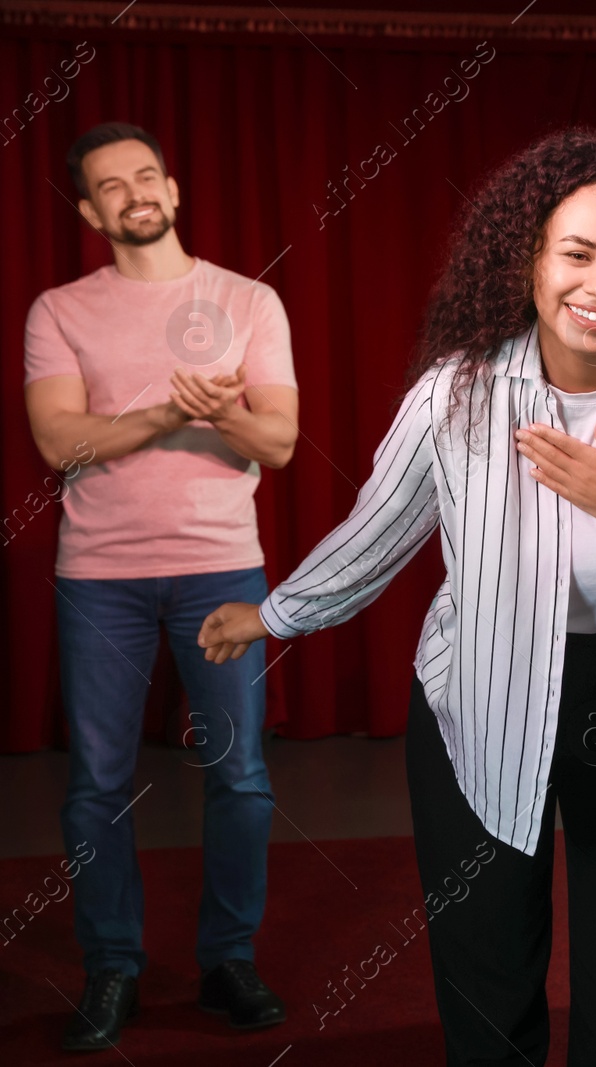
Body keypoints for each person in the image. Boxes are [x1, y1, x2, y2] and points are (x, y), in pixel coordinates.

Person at [198, 127, 596, 1066]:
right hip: (478, 700)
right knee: (487, 1005)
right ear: (528, 260)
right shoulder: (459, 395)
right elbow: (377, 533)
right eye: (576, 253)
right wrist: (275, 613)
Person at [22, 122, 300, 1051]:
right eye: (111, 185)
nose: (133, 193)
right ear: (89, 210)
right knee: (97, 783)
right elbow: (61, 443)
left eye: (146, 176)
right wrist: (173, 410)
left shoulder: (248, 300)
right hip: (100, 577)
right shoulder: (57, 310)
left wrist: (220, 415)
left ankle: (227, 961)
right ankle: (113, 967)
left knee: (241, 774)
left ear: (173, 191)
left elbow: (279, 441)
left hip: (223, 567)